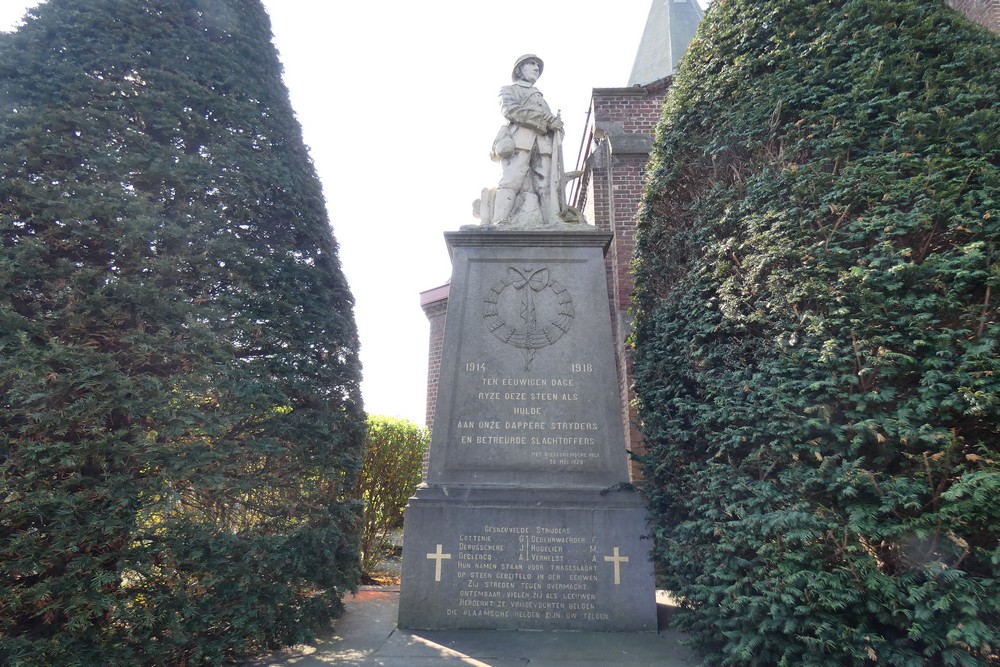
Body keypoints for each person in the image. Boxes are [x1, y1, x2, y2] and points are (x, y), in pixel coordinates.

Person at [491, 54, 567, 226]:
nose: (536, 68)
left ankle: (551, 220)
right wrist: (545, 121)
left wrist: (557, 127)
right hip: (520, 141)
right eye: (531, 64)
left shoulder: (541, 98)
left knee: (547, 185)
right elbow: (511, 110)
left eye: (537, 67)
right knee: (511, 179)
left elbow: (553, 125)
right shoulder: (509, 90)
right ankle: (500, 220)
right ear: (519, 69)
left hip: (543, 145)